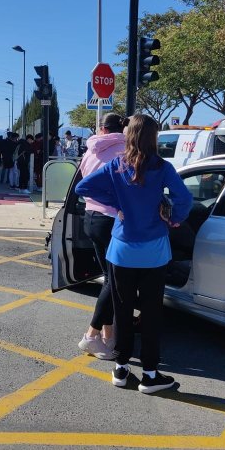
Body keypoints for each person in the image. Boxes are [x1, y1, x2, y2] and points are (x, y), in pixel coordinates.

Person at [75, 114, 193, 394]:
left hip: (121, 252)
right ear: (153, 137)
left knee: (121, 311)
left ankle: (121, 368)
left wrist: (117, 203)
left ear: (128, 136)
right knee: (151, 314)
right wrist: (174, 217)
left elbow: (83, 187)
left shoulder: (117, 165)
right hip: (154, 254)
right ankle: (150, 376)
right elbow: (185, 199)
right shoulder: (162, 167)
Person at [76, 113, 126, 360]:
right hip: (113, 219)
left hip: (90, 218)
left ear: (102, 129)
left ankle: (108, 334)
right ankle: (91, 336)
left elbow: (83, 181)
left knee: (109, 277)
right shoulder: (125, 150)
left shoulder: (90, 151)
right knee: (114, 280)